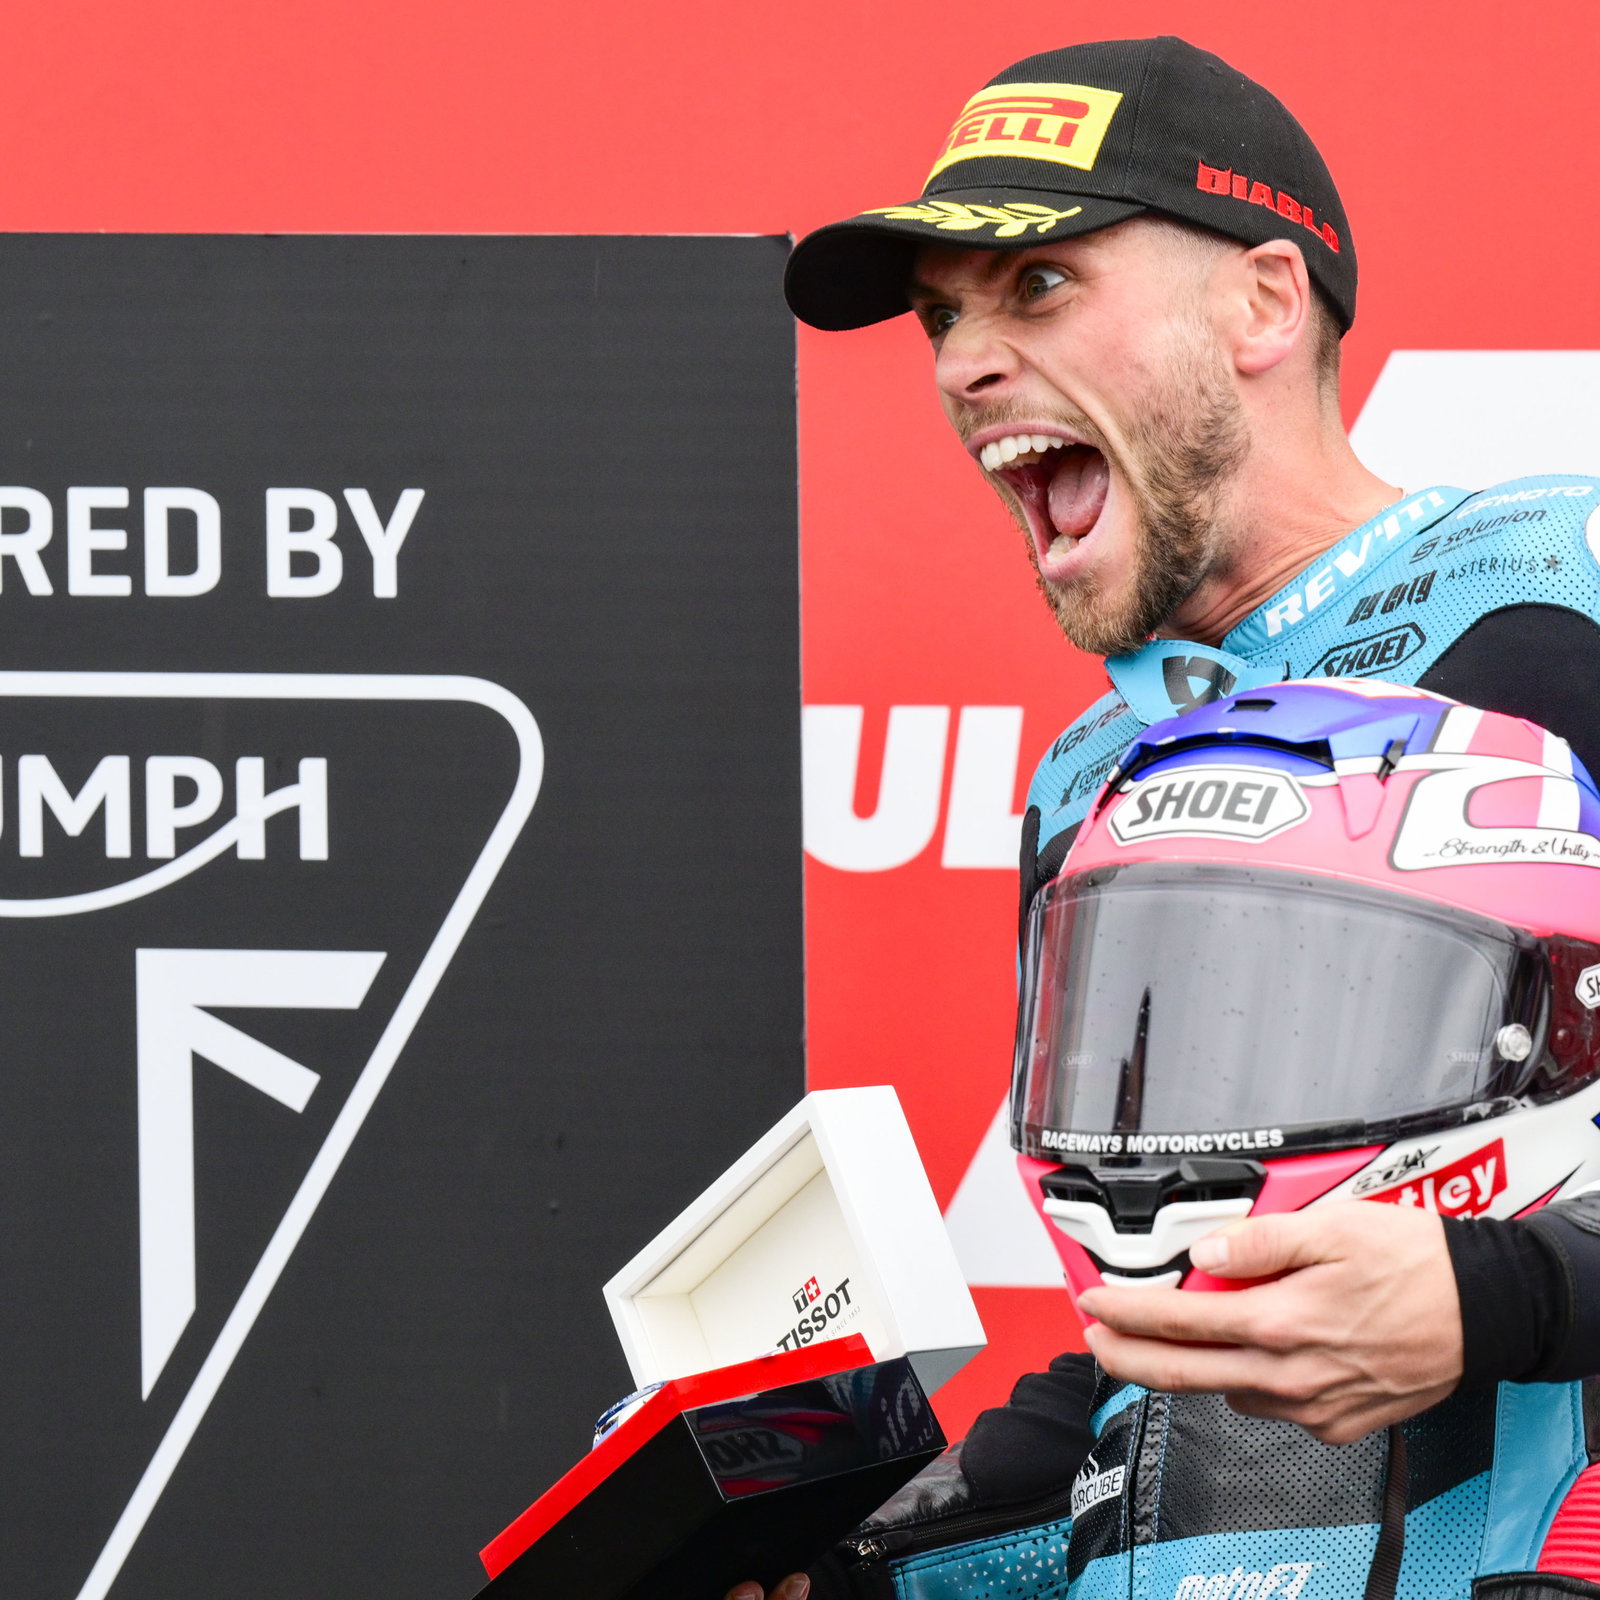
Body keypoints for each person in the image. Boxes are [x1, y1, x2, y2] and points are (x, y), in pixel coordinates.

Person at [726, 32, 1600, 1600]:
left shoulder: (1566, 595)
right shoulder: (1092, 777)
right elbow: (1162, 1363)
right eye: (944, 320)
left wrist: (1498, 1293)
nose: (962, 366)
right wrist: (842, 1569)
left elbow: (1484, 1291)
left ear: (1266, 300)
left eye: (1037, 288)